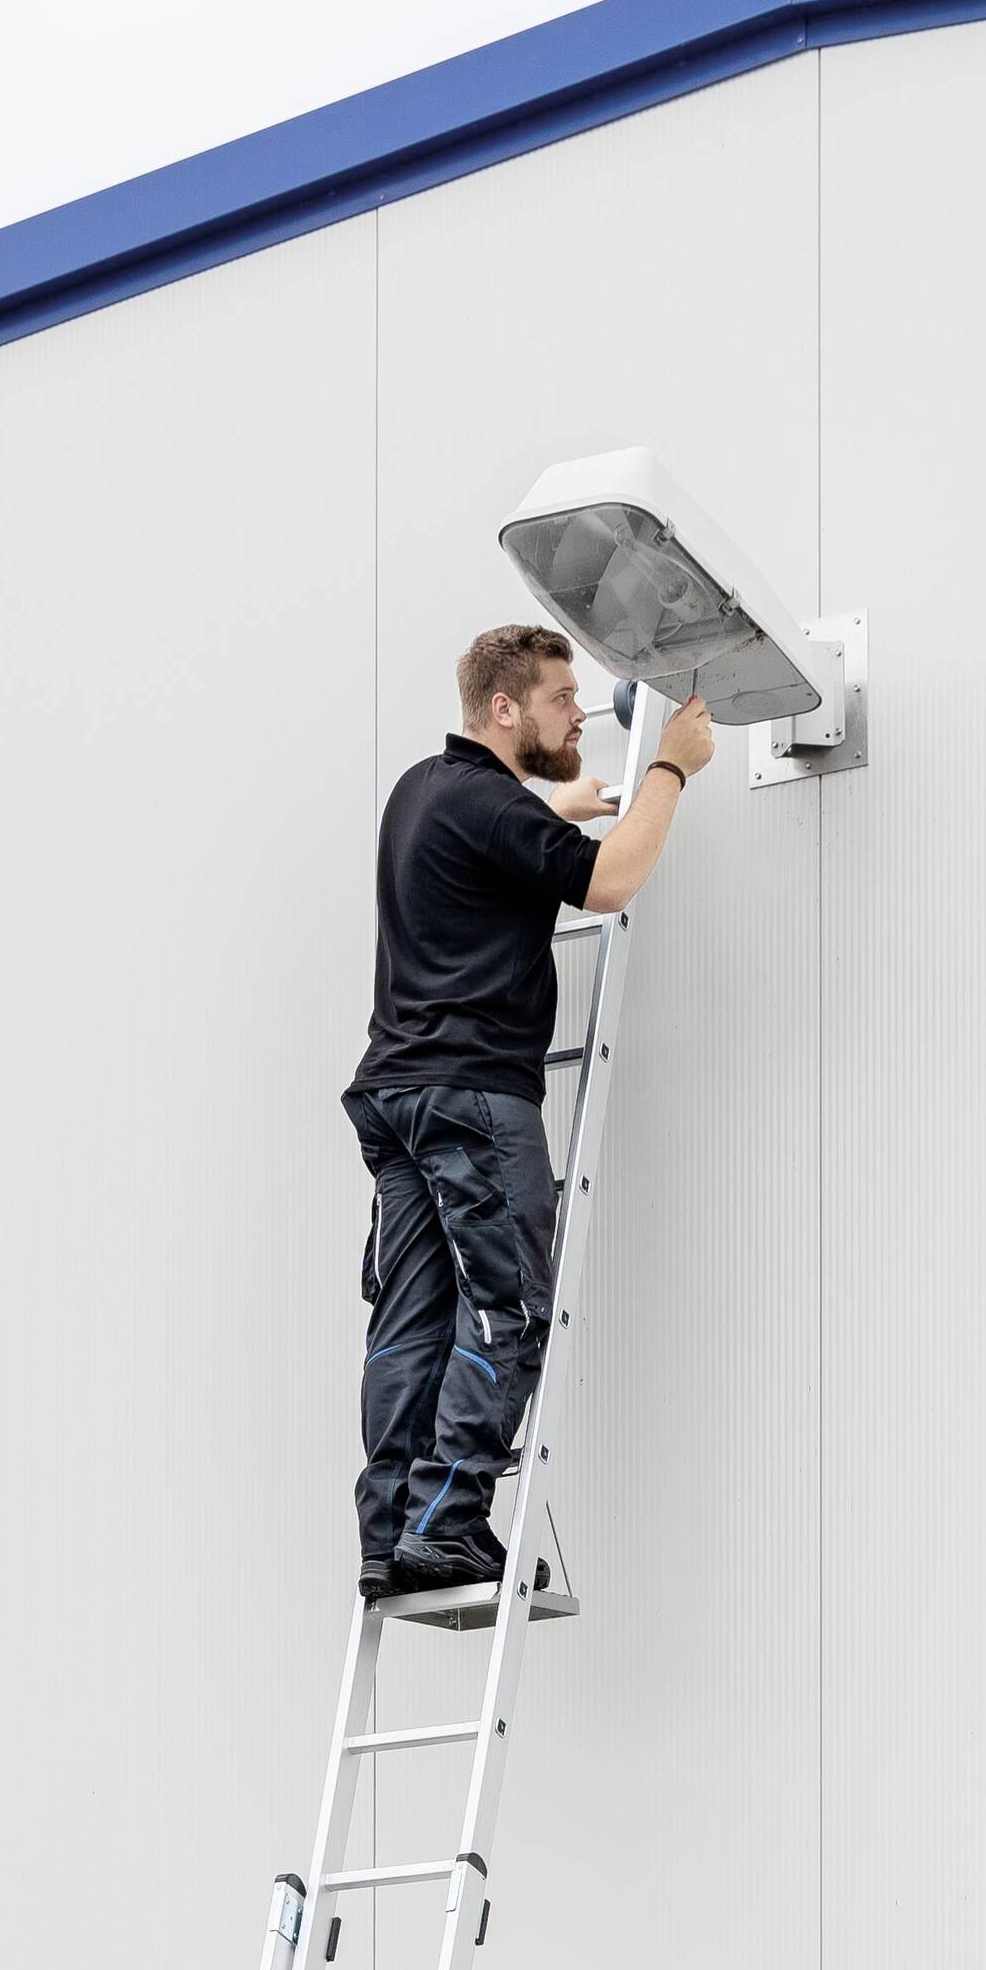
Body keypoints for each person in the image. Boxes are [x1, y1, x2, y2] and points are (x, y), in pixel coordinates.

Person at [344, 626, 714, 1600]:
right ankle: (447, 1522)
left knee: (412, 1320)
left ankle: (391, 1535)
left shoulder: (425, 791)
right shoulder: (488, 804)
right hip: (472, 1094)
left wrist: (551, 806)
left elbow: (500, 831)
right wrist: (672, 766)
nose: (579, 713)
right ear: (503, 709)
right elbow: (609, 879)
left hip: (397, 1097)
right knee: (512, 1309)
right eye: (559, 698)